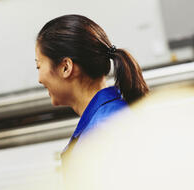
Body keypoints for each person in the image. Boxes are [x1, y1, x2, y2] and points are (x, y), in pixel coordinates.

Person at [35, 14, 149, 155]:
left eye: (39, 66)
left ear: (66, 67)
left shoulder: (101, 135)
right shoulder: (109, 119)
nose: (39, 79)